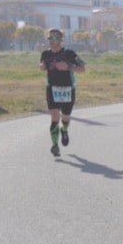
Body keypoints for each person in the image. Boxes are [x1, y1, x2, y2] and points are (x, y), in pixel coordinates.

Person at [39, 28, 85, 158]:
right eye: (50, 38)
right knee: (54, 117)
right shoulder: (45, 54)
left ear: (60, 39)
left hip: (67, 89)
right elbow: (42, 64)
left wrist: (69, 67)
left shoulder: (69, 53)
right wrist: (41, 67)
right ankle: (55, 145)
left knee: (65, 117)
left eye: (54, 38)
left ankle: (64, 130)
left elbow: (83, 69)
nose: (52, 41)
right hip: (52, 89)